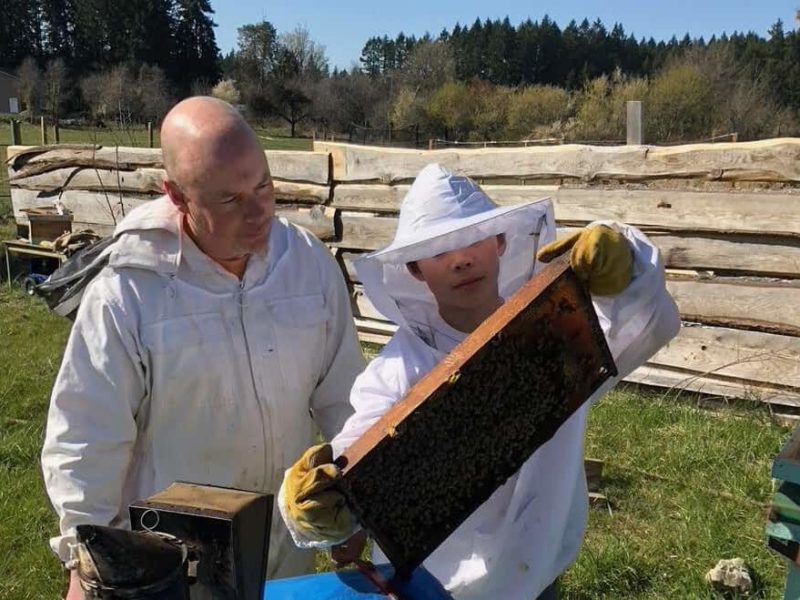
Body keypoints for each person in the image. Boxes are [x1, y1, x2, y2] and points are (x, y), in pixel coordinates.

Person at [279, 163, 681, 599]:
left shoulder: (554, 332)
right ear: (415, 270)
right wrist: (309, 503)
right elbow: (358, 451)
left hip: (538, 576)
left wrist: (623, 256)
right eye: (438, 252)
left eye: (474, 239)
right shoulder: (399, 368)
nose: (462, 259)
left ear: (500, 242)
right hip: (428, 588)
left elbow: (645, 317)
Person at [40, 97, 365, 599]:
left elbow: (344, 397)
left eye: (264, 185)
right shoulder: (130, 292)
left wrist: (354, 505)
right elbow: (88, 434)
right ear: (176, 195)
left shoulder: (307, 265)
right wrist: (84, 560)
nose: (259, 212)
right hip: (174, 562)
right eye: (230, 200)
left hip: (285, 547)